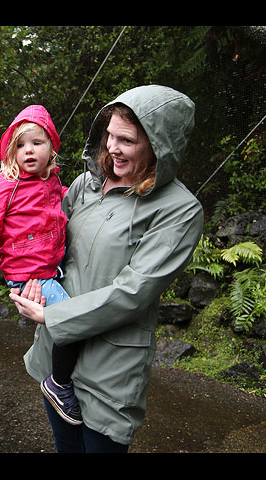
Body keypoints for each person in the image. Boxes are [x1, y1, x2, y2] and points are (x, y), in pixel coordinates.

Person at [10, 85, 204, 453]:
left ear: (159, 145)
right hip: (57, 354)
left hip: (110, 365)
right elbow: (45, 238)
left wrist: (54, 317)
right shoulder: (87, 183)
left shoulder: (179, 210)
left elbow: (133, 292)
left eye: (126, 140)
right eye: (109, 135)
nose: (111, 147)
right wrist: (30, 275)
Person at [0, 105, 82, 425]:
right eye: (20, 144)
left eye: (37, 143)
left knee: (66, 324)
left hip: (49, 270)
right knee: (72, 324)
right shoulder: (5, 184)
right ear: (10, 150)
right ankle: (59, 384)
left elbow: (60, 207)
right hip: (29, 275)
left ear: (51, 148)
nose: (28, 150)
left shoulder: (52, 182)